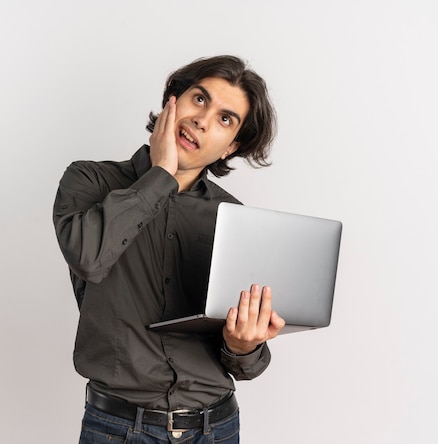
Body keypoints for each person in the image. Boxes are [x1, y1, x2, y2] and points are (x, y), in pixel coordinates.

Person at [53, 55, 286, 443]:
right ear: (171, 101)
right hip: (119, 429)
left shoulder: (233, 218)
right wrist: (161, 175)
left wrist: (243, 345)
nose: (203, 120)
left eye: (225, 119)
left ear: (231, 146)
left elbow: (246, 365)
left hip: (216, 429)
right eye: (199, 99)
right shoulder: (88, 180)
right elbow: (89, 257)